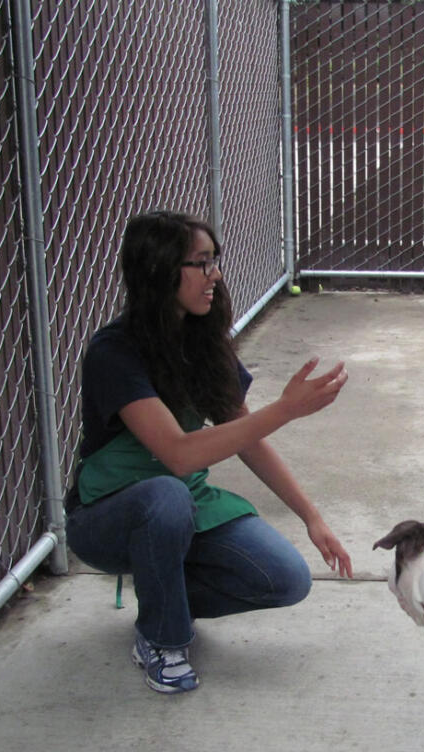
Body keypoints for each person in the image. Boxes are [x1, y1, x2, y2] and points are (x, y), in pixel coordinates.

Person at [65, 210, 352, 694]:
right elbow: (177, 455)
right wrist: (284, 410)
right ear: (158, 269)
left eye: (214, 261)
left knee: (285, 578)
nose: (215, 274)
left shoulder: (202, 341)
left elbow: (244, 436)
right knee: (165, 495)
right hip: (108, 515)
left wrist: (312, 517)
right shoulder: (114, 352)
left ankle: (160, 590)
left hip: (181, 504)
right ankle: (162, 638)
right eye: (200, 263)